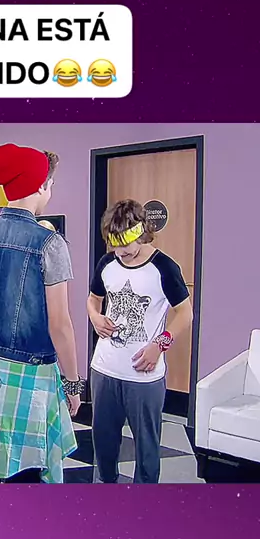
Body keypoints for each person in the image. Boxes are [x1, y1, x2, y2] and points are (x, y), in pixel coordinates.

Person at [0, 143, 84, 484]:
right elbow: (60, 324)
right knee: (26, 467)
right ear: (41, 185)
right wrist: (73, 384)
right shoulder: (50, 243)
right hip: (31, 371)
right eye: (50, 183)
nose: (50, 190)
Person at [87, 199, 193, 484]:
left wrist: (160, 344)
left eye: (126, 245)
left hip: (144, 376)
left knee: (147, 450)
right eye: (115, 246)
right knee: (103, 446)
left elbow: (186, 313)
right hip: (104, 370)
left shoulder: (164, 267)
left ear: (142, 232)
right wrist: (95, 317)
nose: (121, 252)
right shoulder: (107, 263)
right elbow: (93, 299)